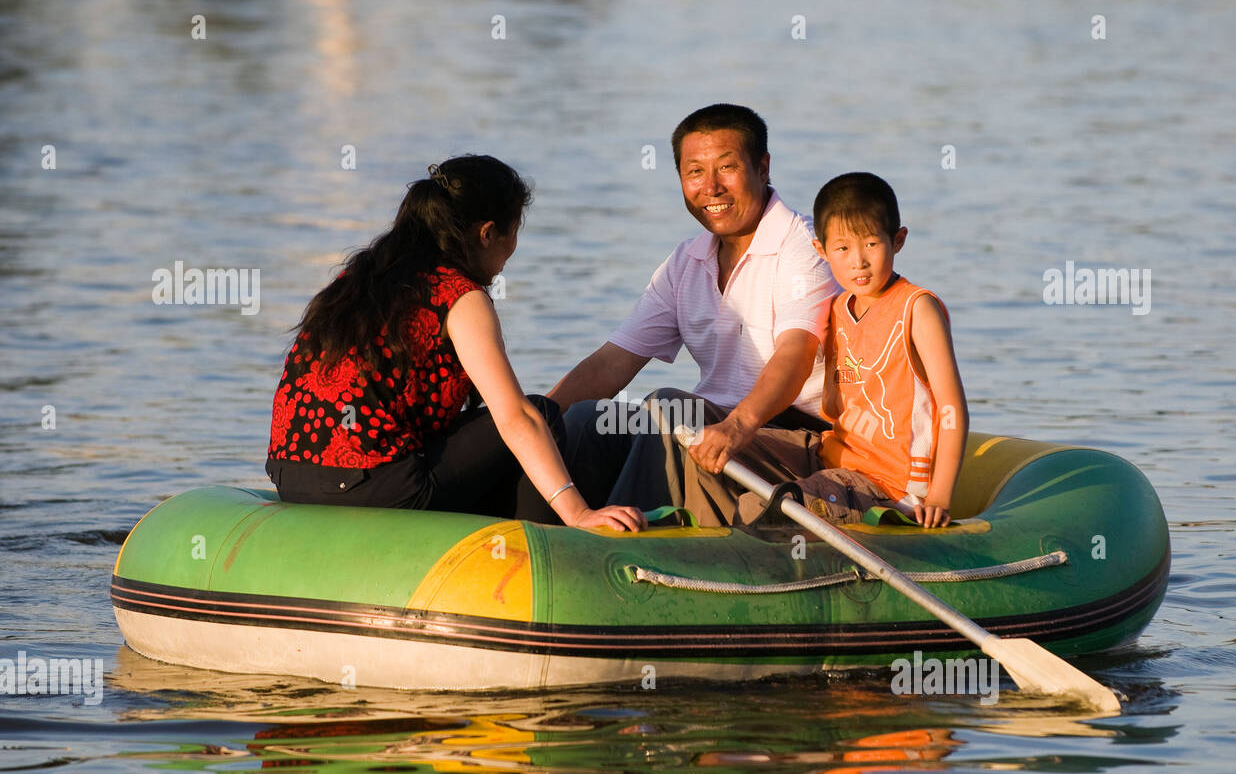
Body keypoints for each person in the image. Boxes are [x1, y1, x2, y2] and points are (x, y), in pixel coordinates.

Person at [264, 155, 646, 532]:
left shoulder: (361, 278)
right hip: (374, 485)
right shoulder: (459, 295)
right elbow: (517, 417)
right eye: (514, 233)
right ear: (487, 233)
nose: (511, 252)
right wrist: (578, 513)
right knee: (540, 414)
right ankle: (539, 544)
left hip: (291, 477)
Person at [548, 104, 839, 520]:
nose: (711, 187)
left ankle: (638, 554)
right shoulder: (685, 262)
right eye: (695, 172)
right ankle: (554, 538)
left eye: (727, 167)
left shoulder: (805, 249)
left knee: (667, 409)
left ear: (763, 167)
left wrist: (738, 426)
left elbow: (796, 355)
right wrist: (534, 417)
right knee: (585, 419)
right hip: (712, 427)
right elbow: (613, 362)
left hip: (797, 439)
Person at [722, 171, 969, 528]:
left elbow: (951, 408)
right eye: (842, 248)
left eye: (871, 244)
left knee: (759, 508)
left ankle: (739, 563)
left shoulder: (917, 308)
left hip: (888, 485)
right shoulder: (837, 309)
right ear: (821, 250)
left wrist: (940, 498)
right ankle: (688, 548)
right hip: (833, 457)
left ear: (897, 240)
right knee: (714, 450)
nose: (858, 261)